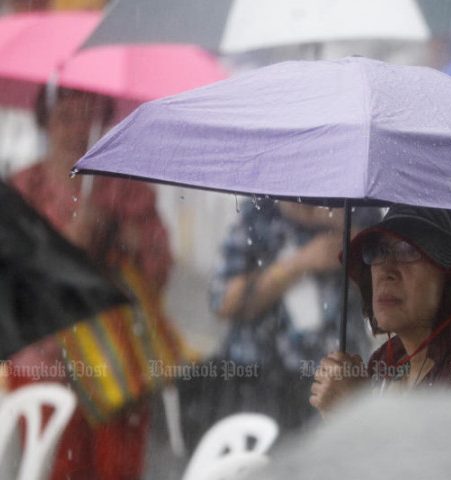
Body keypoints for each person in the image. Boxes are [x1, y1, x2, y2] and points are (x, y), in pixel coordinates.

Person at [8, 86, 173, 480]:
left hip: (116, 358)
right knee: (56, 470)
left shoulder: (124, 188)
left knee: (117, 470)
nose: (77, 128)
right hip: (43, 364)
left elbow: (159, 267)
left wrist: (119, 234)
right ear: (45, 120)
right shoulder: (22, 188)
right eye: (66, 116)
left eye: (88, 116)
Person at [309, 205, 451, 417]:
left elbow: (448, 452)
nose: (386, 270)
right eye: (378, 250)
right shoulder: (389, 360)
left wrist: (358, 410)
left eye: (409, 250)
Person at [208, 199, 381, 435]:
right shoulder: (259, 212)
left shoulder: (360, 210)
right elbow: (223, 301)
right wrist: (300, 263)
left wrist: (355, 243)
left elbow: (385, 293)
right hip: (258, 377)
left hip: (335, 378)